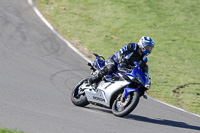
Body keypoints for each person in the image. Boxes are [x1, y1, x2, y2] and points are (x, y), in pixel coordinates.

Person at [88, 36, 155, 88]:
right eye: (148, 47)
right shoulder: (132, 46)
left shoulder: (144, 58)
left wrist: (146, 78)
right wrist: (122, 62)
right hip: (115, 60)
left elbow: (143, 69)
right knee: (110, 67)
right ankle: (94, 78)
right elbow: (120, 53)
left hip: (126, 68)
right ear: (142, 44)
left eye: (150, 48)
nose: (149, 49)